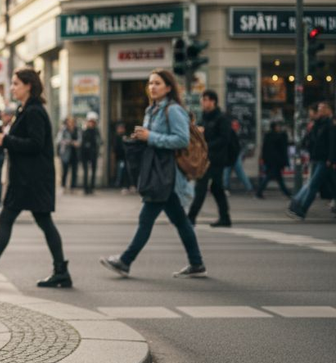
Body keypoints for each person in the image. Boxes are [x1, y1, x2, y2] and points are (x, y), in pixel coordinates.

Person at [0, 68, 71, 290]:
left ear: (28, 85)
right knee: (39, 221)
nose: (12, 88)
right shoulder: (25, 109)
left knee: (13, 219)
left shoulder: (34, 111)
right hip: (28, 178)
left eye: (16, 84)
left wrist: (7, 140)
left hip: (30, 180)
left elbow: (36, 144)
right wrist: (6, 139)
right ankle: (60, 271)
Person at [101, 69, 206, 278]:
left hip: (167, 175)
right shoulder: (152, 110)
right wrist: (141, 137)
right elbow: (154, 138)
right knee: (180, 221)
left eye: (157, 83)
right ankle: (196, 263)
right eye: (150, 83)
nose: (152, 87)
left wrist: (151, 136)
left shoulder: (173, 110)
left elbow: (181, 140)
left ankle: (125, 261)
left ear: (168, 87)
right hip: (158, 172)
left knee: (146, 218)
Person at [187, 89, 232, 227]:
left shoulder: (221, 118)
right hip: (206, 158)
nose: (202, 102)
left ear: (212, 101)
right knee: (216, 188)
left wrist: (206, 145)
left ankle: (190, 218)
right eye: (202, 100)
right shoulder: (205, 117)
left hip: (216, 159)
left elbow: (224, 139)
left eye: (205, 100)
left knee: (201, 187)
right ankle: (225, 218)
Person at [288, 101, 334, 220]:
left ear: (328, 110)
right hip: (317, 158)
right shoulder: (319, 123)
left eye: (322, 108)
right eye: (319, 108)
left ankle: (301, 210)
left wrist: (331, 158)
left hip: (325, 160)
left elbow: (332, 143)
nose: (320, 110)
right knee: (326, 185)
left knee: (313, 185)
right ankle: (296, 206)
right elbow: (312, 139)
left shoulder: (330, 124)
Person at [255, 120, 292, 199]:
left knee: (278, 178)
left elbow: (264, 148)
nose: (279, 128)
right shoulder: (279, 136)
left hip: (270, 161)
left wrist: (264, 159)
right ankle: (259, 192)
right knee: (270, 177)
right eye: (278, 126)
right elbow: (283, 148)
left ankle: (287, 193)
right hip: (276, 161)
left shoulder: (268, 136)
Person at [221, 118, 252, 195]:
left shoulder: (232, 133)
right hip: (232, 155)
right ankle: (248, 187)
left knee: (230, 172)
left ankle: (248, 188)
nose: (235, 127)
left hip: (233, 155)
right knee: (231, 172)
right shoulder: (234, 133)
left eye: (236, 126)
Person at [80, 112, 102, 195]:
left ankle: (92, 188)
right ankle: (85, 188)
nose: (91, 123)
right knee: (86, 171)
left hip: (93, 153)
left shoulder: (96, 131)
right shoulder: (84, 130)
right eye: (90, 121)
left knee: (93, 171)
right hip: (85, 154)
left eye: (93, 122)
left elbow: (100, 141)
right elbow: (82, 141)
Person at [57, 116, 80, 192]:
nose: (70, 123)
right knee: (65, 170)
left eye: (72, 122)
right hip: (66, 153)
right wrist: (69, 142)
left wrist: (77, 143)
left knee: (74, 170)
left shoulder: (77, 130)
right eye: (69, 122)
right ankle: (63, 185)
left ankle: (73, 186)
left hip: (75, 153)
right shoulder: (63, 130)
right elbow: (59, 140)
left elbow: (80, 140)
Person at [112, 121, 132, 192]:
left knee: (126, 171)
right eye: (120, 128)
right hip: (119, 158)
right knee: (120, 172)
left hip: (125, 157)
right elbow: (114, 149)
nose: (121, 130)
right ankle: (120, 184)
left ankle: (126, 185)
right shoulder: (116, 137)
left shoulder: (125, 137)